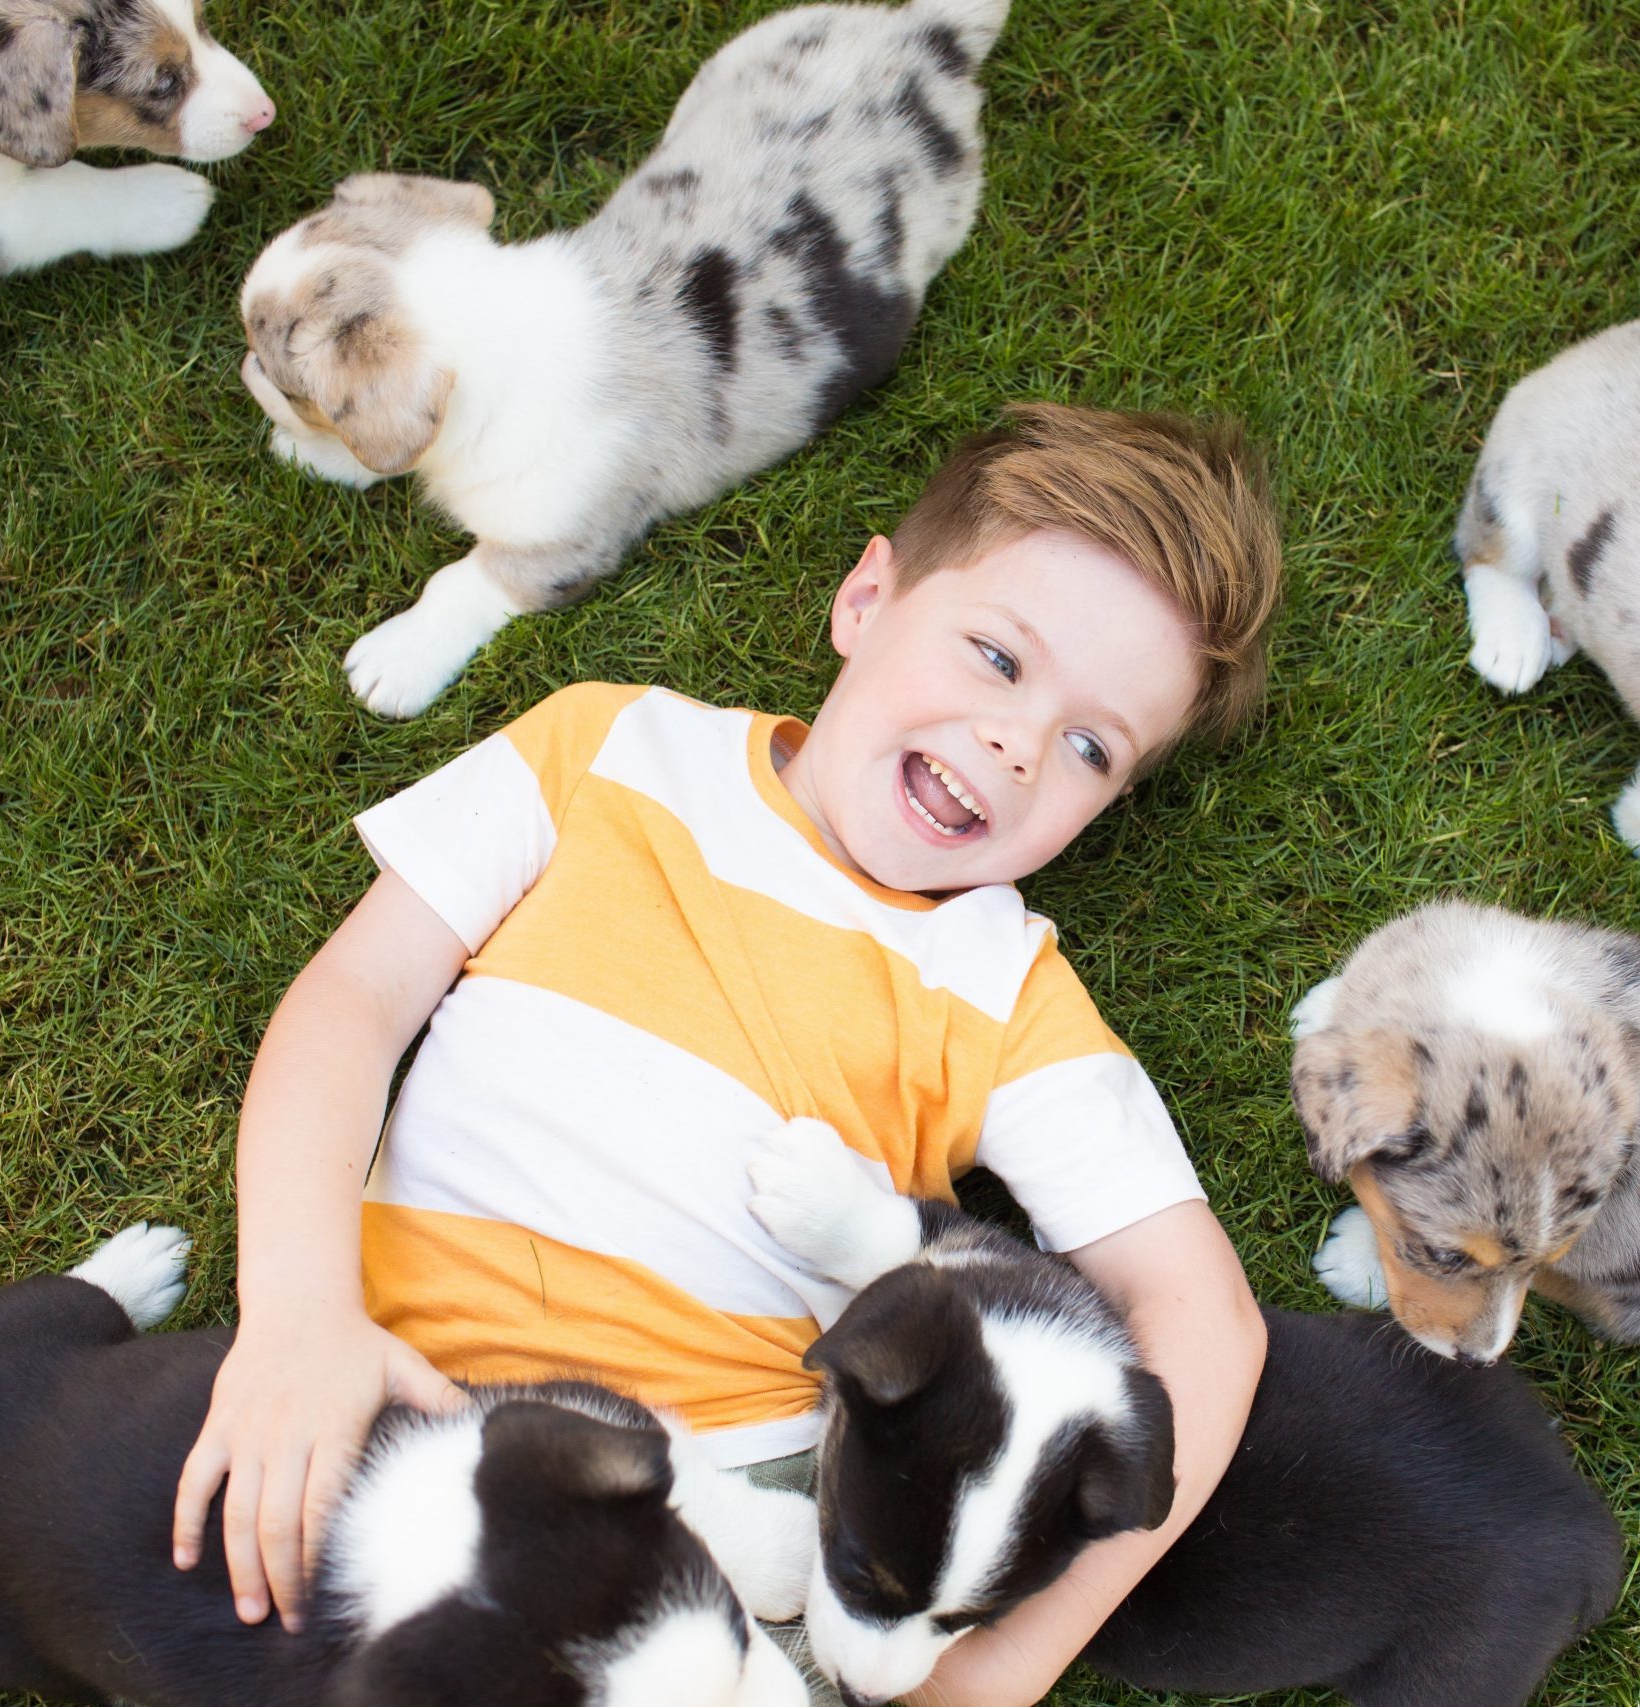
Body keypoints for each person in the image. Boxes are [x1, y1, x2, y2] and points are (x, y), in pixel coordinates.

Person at [171, 403, 1283, 1705]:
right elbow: (356, 997)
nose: (1019, 742)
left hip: (696, 1590)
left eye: (1093, 745)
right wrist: (300, 1312)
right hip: (387, 1427)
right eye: (996, 657)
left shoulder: (1005, 993)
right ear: (867, 597)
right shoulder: (608, 746)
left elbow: (1207, 1322)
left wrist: (999, 1674)